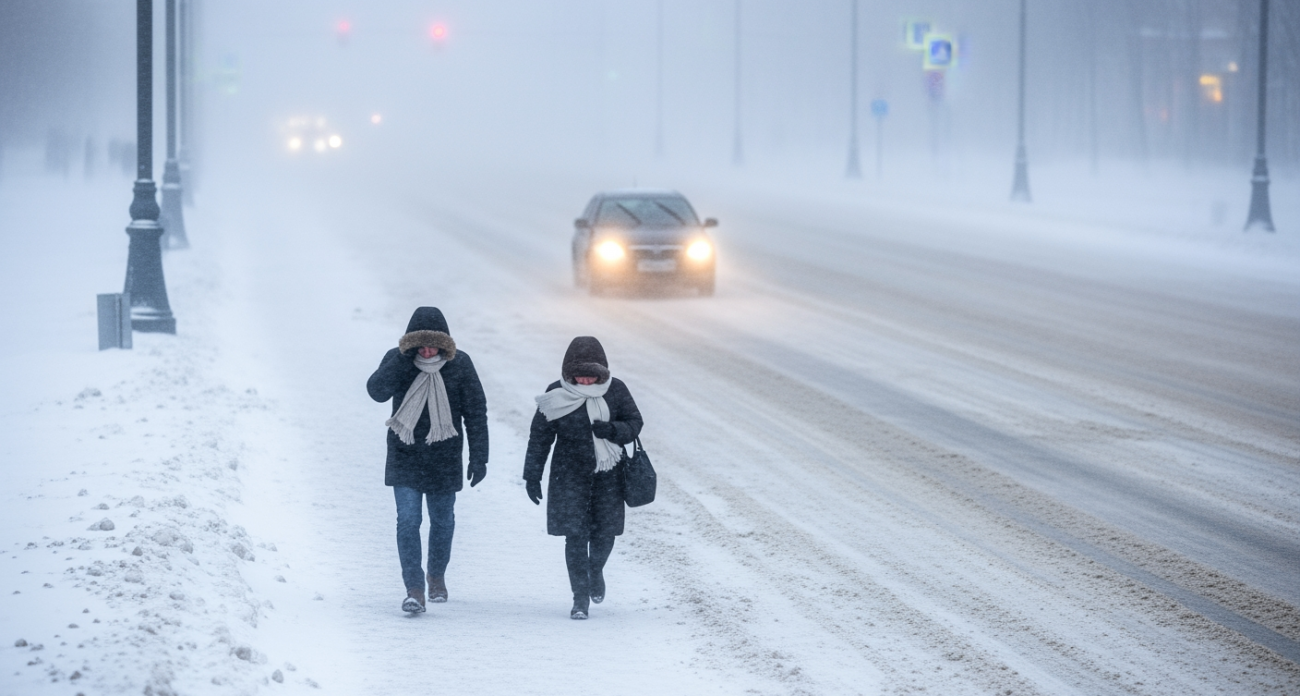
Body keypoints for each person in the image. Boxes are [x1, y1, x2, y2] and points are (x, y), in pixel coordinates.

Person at [367, 307, 488, 614]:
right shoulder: (398, 361)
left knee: (443, 521)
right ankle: (414, 589)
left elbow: (476, 412)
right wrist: (401, 358)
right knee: (408, 521)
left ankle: (436, 575)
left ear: (445, 344)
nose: (427, 351)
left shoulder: (460, 364)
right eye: (420, 345)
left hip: (444, 456)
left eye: (433, 345)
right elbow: (376, 391)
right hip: (404, 453)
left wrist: (479, 457)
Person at [524, 336, 643, 620]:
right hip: (568, 474)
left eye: (592, 376)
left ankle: (595, 570)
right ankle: (580, 598)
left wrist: (613, 430)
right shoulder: (555, 393)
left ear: (602, 372)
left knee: (605, 532)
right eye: (580, 376)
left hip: (608, 474)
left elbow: (635, 423)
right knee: (574, 536)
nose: (586, 381)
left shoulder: (616, 390)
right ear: (569, 373)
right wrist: (532, 475)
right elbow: (540, 437)